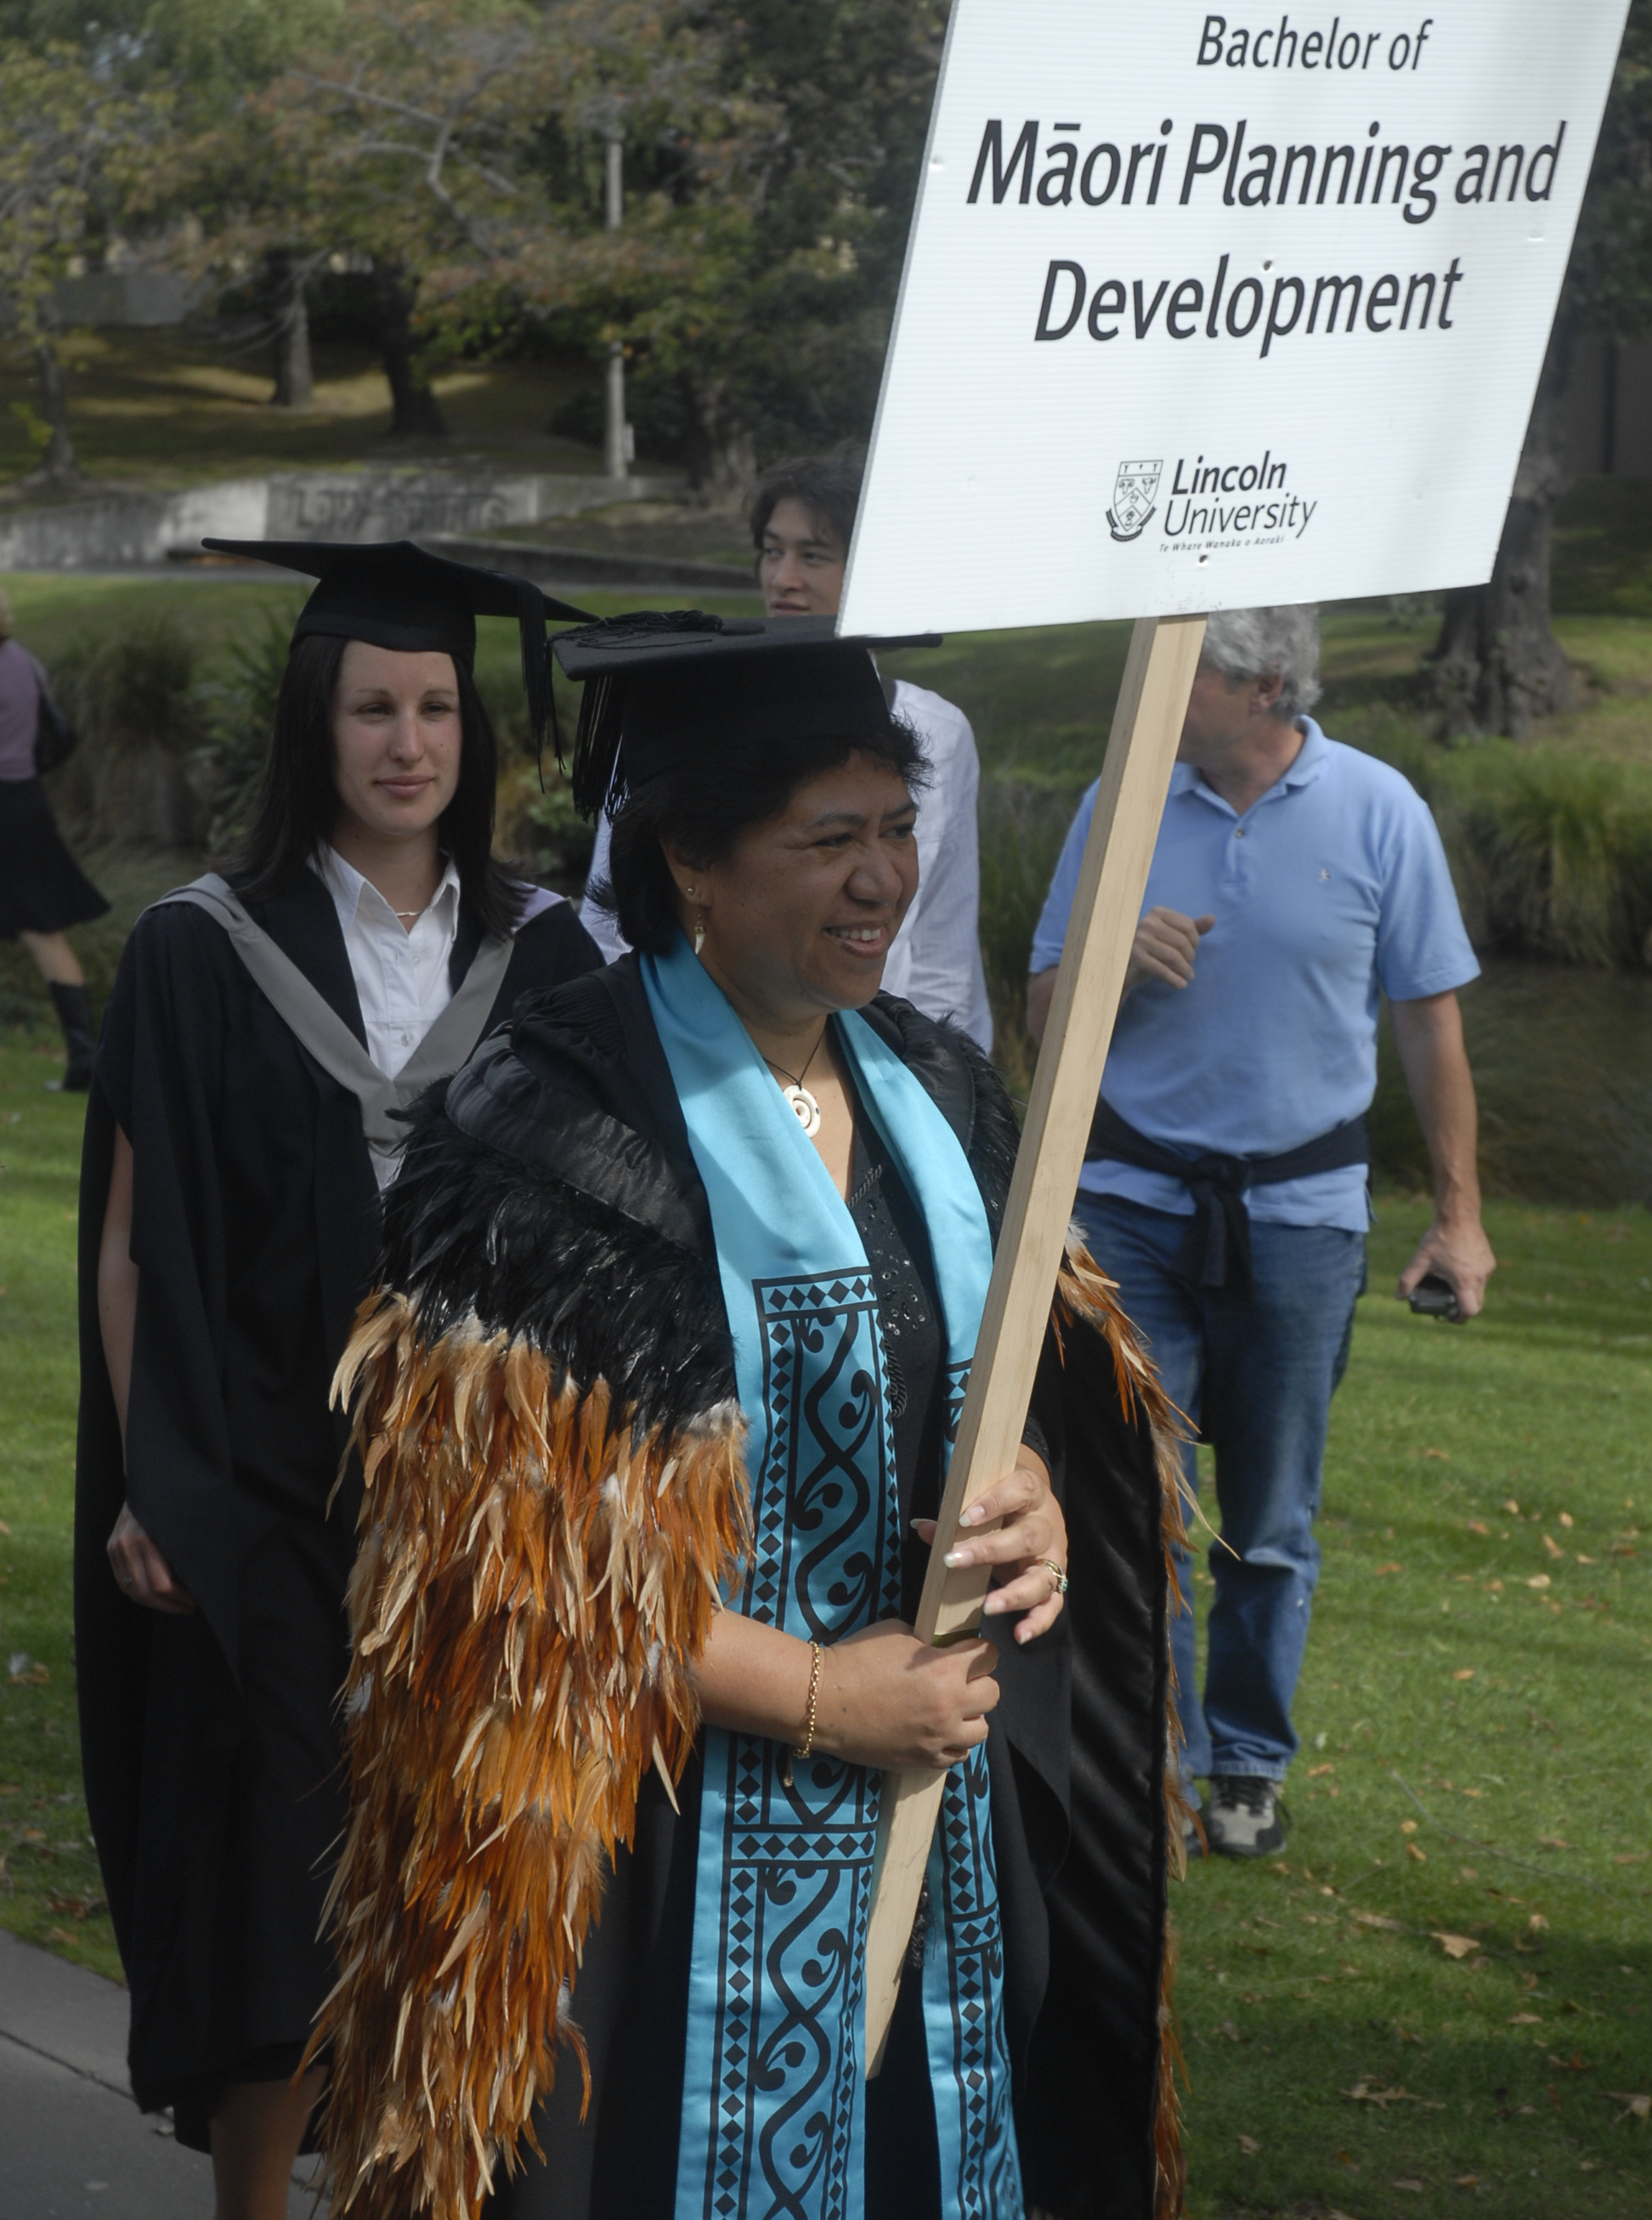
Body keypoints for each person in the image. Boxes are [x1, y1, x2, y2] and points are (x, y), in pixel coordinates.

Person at [312, 610, 1182, 2220]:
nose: (880, 880)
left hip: (930, 1843)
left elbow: (993, 1390)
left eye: (899, 829)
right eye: (827, 838)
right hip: (646, 1860)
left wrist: (1040, 1501)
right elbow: (478, 1566)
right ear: (690, 863)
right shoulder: (550, 1131)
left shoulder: (942, 1091)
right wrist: (808, 1696)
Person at [74, 541, 603, 2220]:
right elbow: (134, 1242)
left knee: (450, 1877)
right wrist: (159, 1485)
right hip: (266, 1487)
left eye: (437, 704)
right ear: (319, 720)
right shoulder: (199, 949)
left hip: (477, 1501)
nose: (409, 739)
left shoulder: (553, 952)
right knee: (280, 1889)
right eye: (374, 704)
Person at [1028, 605, 1494, 1861]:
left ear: (1263, 687)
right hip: (1129, 1208)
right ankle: (1158, 1763)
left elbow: (1430, 1027)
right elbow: (1040, 1015)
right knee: (1139, 1507)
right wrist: (1114, 959)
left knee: (1273, 1520)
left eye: (1182, 678)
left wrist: (1460, 1218)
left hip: (1299, 1223)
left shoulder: (1380, 808)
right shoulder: (1119, 803)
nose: (1154, 704)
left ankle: (1245, 1762)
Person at [580, 454, 994, 1050]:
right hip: (696, 1048)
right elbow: (615, 918)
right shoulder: (686, 721)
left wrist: (941, 1084)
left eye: (814, 555)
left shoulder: (938, 730)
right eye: (773, 552)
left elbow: (942, 948)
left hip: (876, 1056)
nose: (784, 578)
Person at [0, 586, 108, 1088]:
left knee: (39, 929)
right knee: (44, 930)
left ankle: (86, 1058)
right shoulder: (24, 662)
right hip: (26, 804)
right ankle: (84, 1056)